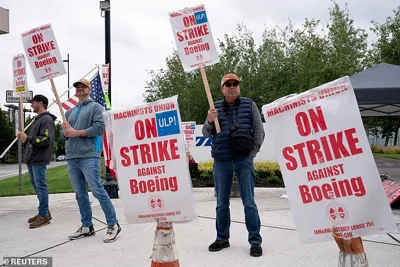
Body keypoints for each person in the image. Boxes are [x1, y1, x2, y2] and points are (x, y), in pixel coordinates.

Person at [202, 73, 265, 257]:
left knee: (249, 202)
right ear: (222, 89)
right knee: (222, 203)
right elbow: (206, 133)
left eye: (235, 83)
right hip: (221, 161)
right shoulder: (215, 108)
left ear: (239, 87)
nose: (232, 87)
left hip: (244, 160)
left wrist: (252, 153)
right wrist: (208, 119)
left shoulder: (249, 104)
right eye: (228, 84)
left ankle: (255, 241)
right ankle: (222, 238)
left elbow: (259, 131)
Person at [61, 79, 121, 243]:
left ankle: (113, 223)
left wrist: (75, 132)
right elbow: (63, 135)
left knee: (97, 190)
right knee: (80, 194)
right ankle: (87, 226)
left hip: (89, 155)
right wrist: (65, 132)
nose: (79, 89)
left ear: (89, 89)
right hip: (72, 156)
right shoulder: (69, 112)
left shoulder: (96, 107)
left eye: (83, 86)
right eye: (77, 87)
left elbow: (99, 128)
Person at [17, 94, 56, 229]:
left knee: (40, 186)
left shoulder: (46, 119)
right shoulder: (38, 119)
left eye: (33, 103)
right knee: (36, 186)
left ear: (40, 103)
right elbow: (34, 138)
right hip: (32, 158)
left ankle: (44, 215)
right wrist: (26, 138)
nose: (31, 105)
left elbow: (46, 139)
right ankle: (44, 211)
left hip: (38, 158)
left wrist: (28, 138)